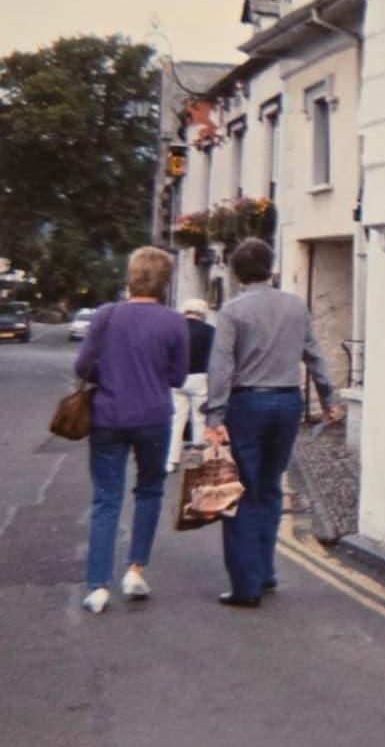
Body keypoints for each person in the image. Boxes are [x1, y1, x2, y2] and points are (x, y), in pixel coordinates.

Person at [203, 238, 341, 608]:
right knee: (270, 487)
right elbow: (314, 355)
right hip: (288, 403)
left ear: (236, 272)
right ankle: (265, 573)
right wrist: (328, 399)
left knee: (241, 491)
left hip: (247, 403)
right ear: (271, 267)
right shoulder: (296, 306)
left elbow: (221, 366)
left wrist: (215, 414)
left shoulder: (232, 311)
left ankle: (245, 586)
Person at [76, 246, 189, 613]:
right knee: (150, 491)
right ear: (165, 282)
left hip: (108, 417)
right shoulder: (175, 322)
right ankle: (135, 571)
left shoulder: (105, 316)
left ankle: (97, 587)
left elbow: (82, 368)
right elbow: (178, 376)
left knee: (106, 499)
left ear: (131, 276)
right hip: (154, 416)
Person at [166, 298, 214, 473]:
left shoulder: (174, 330)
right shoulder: (209, 331)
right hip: (200, 377)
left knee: (176, 419)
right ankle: (198, 459)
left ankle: (171, 460)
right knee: (199, 418)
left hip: (177, 378)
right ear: (202, 313)